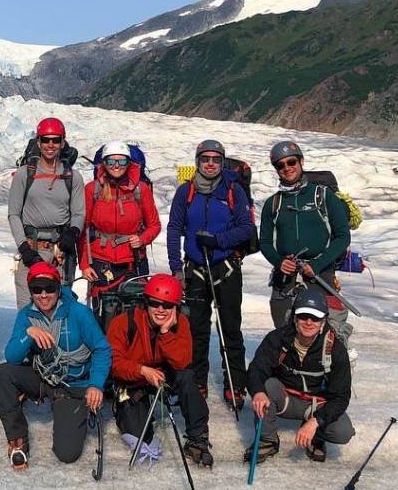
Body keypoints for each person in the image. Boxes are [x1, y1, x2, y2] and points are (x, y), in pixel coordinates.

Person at [0, 262, 111, 469]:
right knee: (4, 373)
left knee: (67, 454)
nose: (43, 295)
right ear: (30, 291)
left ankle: (71, 410)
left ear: (58, 289)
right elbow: (11, 357)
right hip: (43, 377)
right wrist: (28, 334)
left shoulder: (78, 312)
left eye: (49, 288)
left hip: (73, 384)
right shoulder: (26, 315)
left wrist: (96, 384)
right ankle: (17, 438)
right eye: (37, 289)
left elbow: (102, 349)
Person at [166, 139, 254, 409]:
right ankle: (197, 381)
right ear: (197, 162)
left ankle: (235, 384)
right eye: (206, 159)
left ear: (222, 161)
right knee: (196, 331)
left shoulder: (233, 191)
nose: (211, 163)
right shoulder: (186, 192)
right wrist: (176, 268)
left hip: (225, 267)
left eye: (216, 159)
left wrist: (218, 240)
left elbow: (246, 228)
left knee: (230, 329)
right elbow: (174, 228)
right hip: (195, 269)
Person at [107, 274, 212, 467]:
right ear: (146, 303)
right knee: (139, 435)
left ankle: (198, 437)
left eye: (168, 305)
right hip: (134, 379)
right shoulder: (122, 323)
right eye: (155, 303)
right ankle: (126, 409)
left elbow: (182, 361)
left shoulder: (181, 323)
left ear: (176, 306)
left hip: (165, 374)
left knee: (187, 377)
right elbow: (114, 364)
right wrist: (143, 371)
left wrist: (165, 333)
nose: (161, 310)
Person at [244, 285, 354, 464]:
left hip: (317, 405)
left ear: (323, 321)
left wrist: (316, 421)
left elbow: (340, 397)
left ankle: (315, 435)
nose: (309, 322)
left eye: (315, 317)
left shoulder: (335, 349)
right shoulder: (277, 339)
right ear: (295, 318)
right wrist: (257, 392)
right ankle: (267, 439)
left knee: (343, 432)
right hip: (286, 398)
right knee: (267, 385)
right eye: (303, 316)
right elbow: (256, 370)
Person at [259, 140, 351, 336]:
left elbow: (343, 237)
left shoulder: (324, 196)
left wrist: (317, 264)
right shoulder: (273, 203)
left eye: (291, 162)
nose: (286, 168)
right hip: (286, 278)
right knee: (285, 334)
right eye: (280, 165)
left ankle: (333, 363)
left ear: (301, 162)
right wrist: (279, 261)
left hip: (321, 276)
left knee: (327, 333)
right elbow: (265, 242)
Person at [7, 117, 86, 309]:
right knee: (28, 312)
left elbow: (78, 213)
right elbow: (14, 214)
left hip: (60, 252)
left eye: (56, 140)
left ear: (63, 142)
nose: (50, 145)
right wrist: (24, 247)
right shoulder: (24, 174)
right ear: (38, 142)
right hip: (31, 249)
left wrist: (72, 232)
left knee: (59, 312)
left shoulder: (73, 177)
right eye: (46, 139)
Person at [79, 140, 160, 327]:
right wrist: (84, 264)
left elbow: (154, 224)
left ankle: (129, 355)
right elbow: (83, 229)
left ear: (129, 163)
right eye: (111, 161)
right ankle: (105, 355)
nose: (116, 166)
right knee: (103, 316)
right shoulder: (92, 190)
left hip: (133, 261)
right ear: (104, 163)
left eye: (122, 161)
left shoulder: (141, 189)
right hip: (100, 261)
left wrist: (142, 239)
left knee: (133, 317)